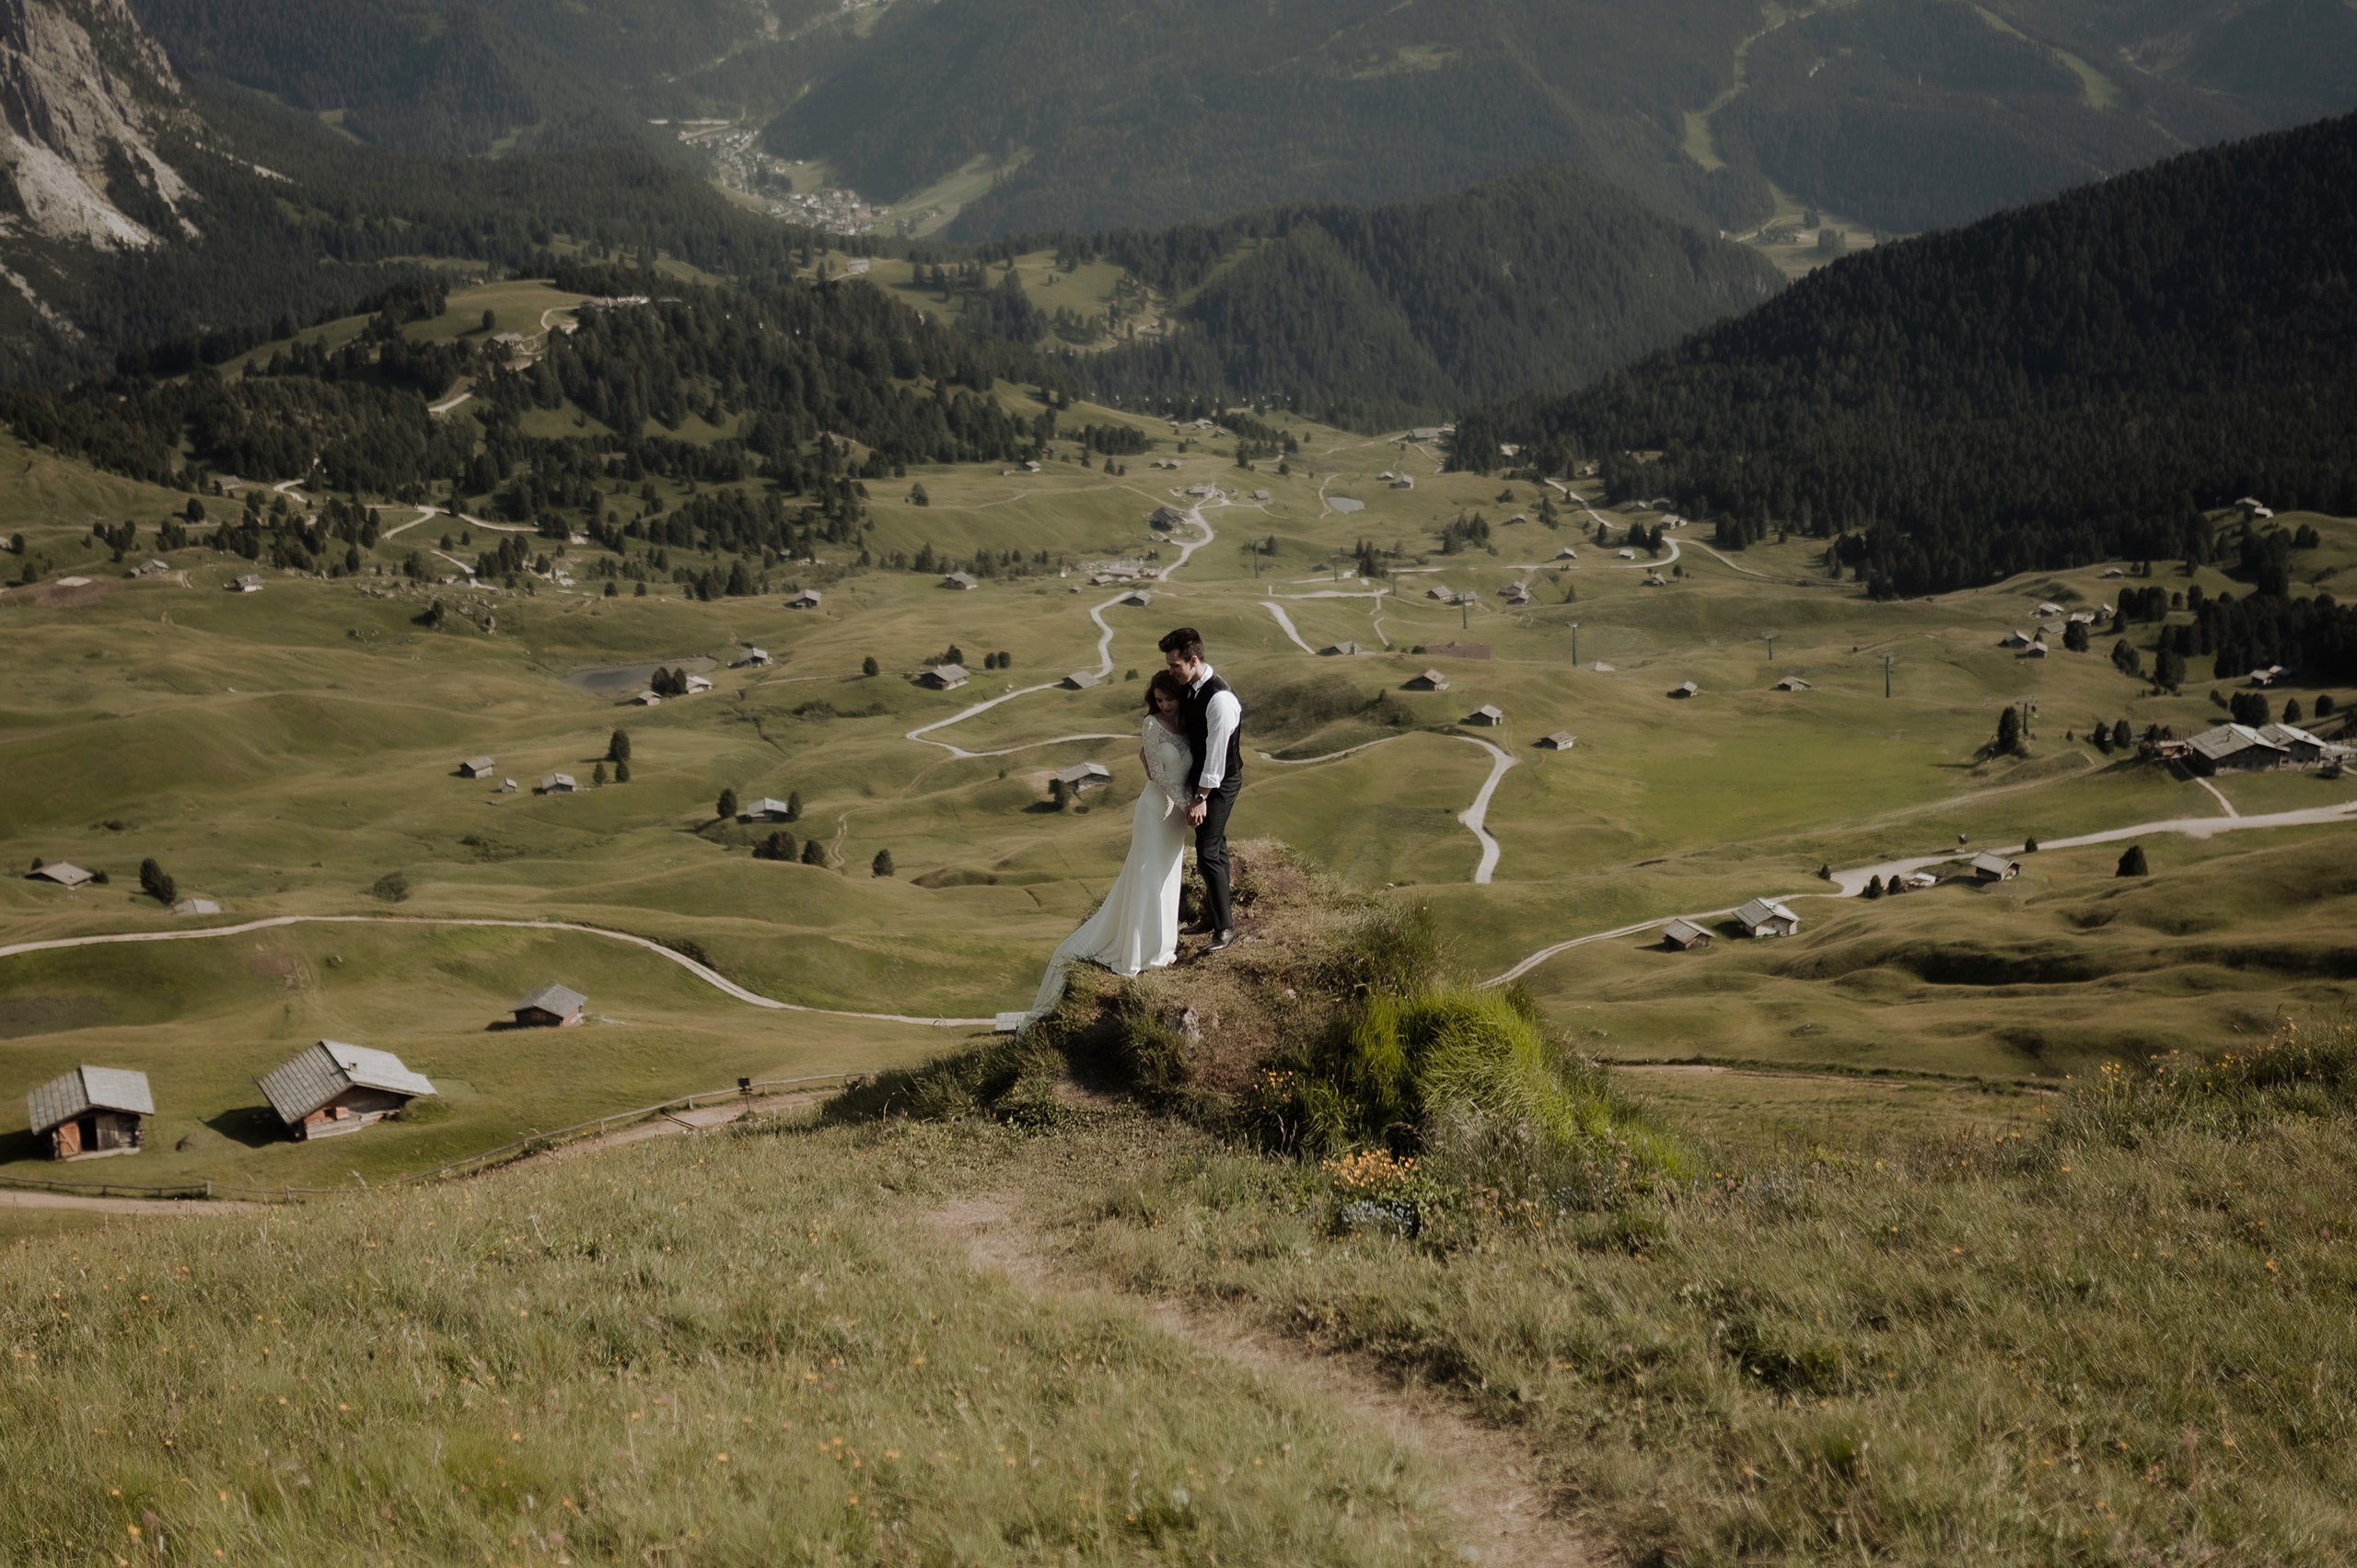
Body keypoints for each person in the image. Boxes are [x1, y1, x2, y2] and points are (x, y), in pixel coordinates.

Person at [1022, 670, 1194, 1021]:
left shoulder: (1189, 725)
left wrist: (1190, 803)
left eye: (1169, 699)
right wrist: (1185, 803)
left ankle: (1160, 947)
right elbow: (1158, 775)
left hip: (1177, 815)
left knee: (1167, 875)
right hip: (1155, 810)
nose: (1164, 705)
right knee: (1145, 875)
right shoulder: (1152, 725)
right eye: (1158, 700)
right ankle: (1134, 952)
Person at [1158, 625, 1243, 951]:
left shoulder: (1220, 701)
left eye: (1174, 666)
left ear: (1193, 660)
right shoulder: (1193, 686)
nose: (1170, 672)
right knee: (1213, 845)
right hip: (1206, 780)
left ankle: (1225, 929)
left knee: (1208, 852)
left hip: (1220, 783)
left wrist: (1201, 798)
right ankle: (1212, 916)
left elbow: (1217, 758)